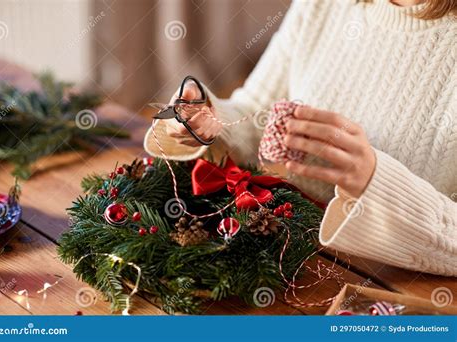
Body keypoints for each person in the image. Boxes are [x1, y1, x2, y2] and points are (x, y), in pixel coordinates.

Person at [144, 0, 457, 276]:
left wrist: (378, 185)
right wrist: (207, 123)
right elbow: (256, 113)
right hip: (290, 257)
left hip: (393, 292)